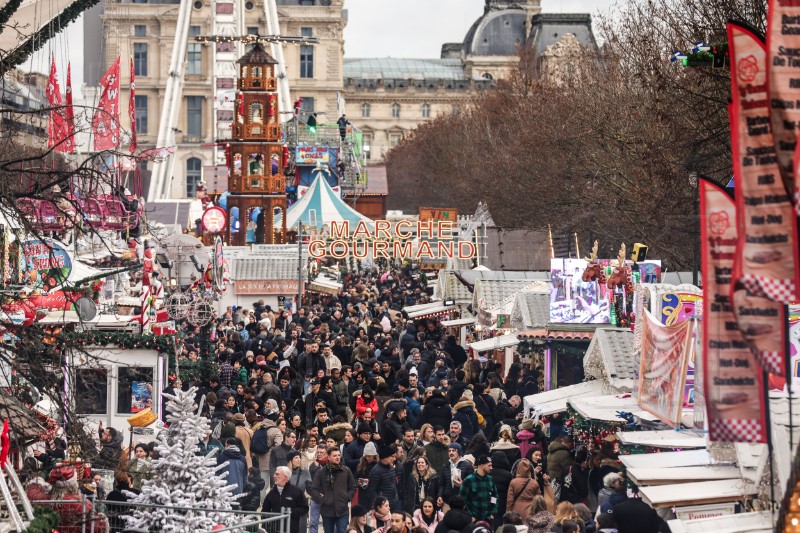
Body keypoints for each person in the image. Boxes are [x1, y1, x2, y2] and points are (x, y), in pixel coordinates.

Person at [309, 447, 356, 533]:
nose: (338, 457)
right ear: (328, 457)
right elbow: (314, 489)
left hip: (342, 509)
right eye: (335, 456)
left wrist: (347, 497)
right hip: (327, 511)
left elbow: (352, 487)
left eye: (339, 455)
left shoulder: (346, 470)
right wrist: (322, 499)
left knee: (342, 531)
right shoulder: (321, 472)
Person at [262, 466, 308, 533]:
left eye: (277, 474)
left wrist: (290, 512)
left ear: (286, 477)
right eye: (275, 474)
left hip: (291, 529)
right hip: (275, 530)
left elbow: (304, 508)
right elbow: (264, 512)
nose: (274, 476)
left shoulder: (296, 491)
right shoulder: (271, 493)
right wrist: (266, 528)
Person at [459, 455, 497, 524]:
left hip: (488, 518)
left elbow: (494, 497)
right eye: (489, 465)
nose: (491, 468)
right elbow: (462, 500)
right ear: (482, 465)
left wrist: (493, 512)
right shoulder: (468, 480)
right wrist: (469, 515)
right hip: (473, 519)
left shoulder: (491, 479)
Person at [364, 445, 400, 511]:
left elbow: (394, 485)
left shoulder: (391, 468)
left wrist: (396, 498)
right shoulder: (375, 471)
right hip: (382, 507)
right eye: (392, 456)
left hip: (393, 504)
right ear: (385, 457)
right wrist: (379, 504)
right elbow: (371, 491)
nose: (394, 459)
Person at [437, 443, 472, 509]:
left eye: (453, 450)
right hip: (447, 501)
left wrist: (462, 485)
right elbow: (441, 484)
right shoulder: (445, 466)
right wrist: (440, 496)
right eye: (449, 451)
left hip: (462, 501)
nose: (451, 453)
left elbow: (471, 485)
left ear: (458, 451)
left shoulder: (467, 466)